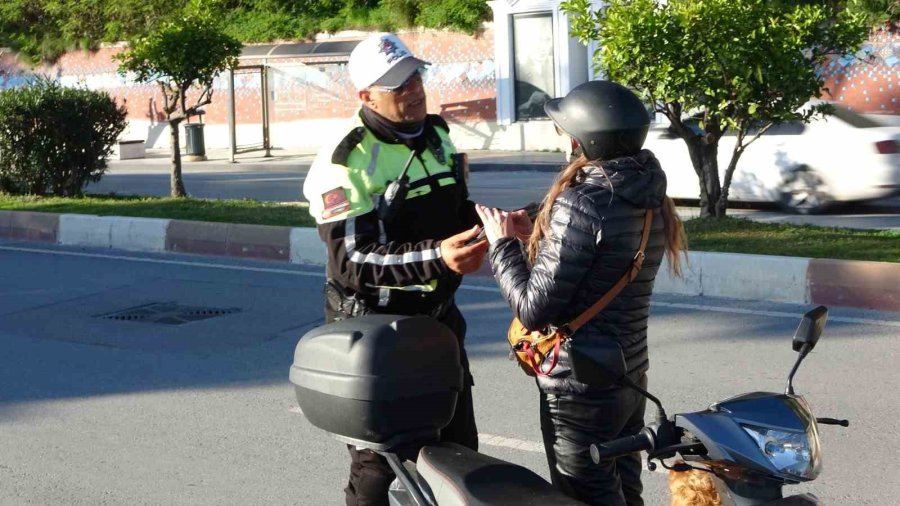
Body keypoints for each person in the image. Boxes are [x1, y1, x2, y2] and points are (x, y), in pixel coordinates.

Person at [475, 80, 688, 506]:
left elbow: (534, 309)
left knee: (585, 496)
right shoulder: (649, 194)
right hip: (630, 377)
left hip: (579, 388)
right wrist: (537, 230)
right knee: (626, 492)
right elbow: (595, 259)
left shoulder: (582, 202)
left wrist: (502, 244)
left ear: (581, 140)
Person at [302, 32, 487, 506]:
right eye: (397, 84)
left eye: (415, 75)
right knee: (379, 466)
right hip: (373, 332)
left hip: (439, 321)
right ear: (366, 96)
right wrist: (438, 257)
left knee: (460, 452)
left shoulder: (437, 135)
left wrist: (499, 227)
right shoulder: (345, 161)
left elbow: (455, 212)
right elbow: (353, 260)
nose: (413, 89)